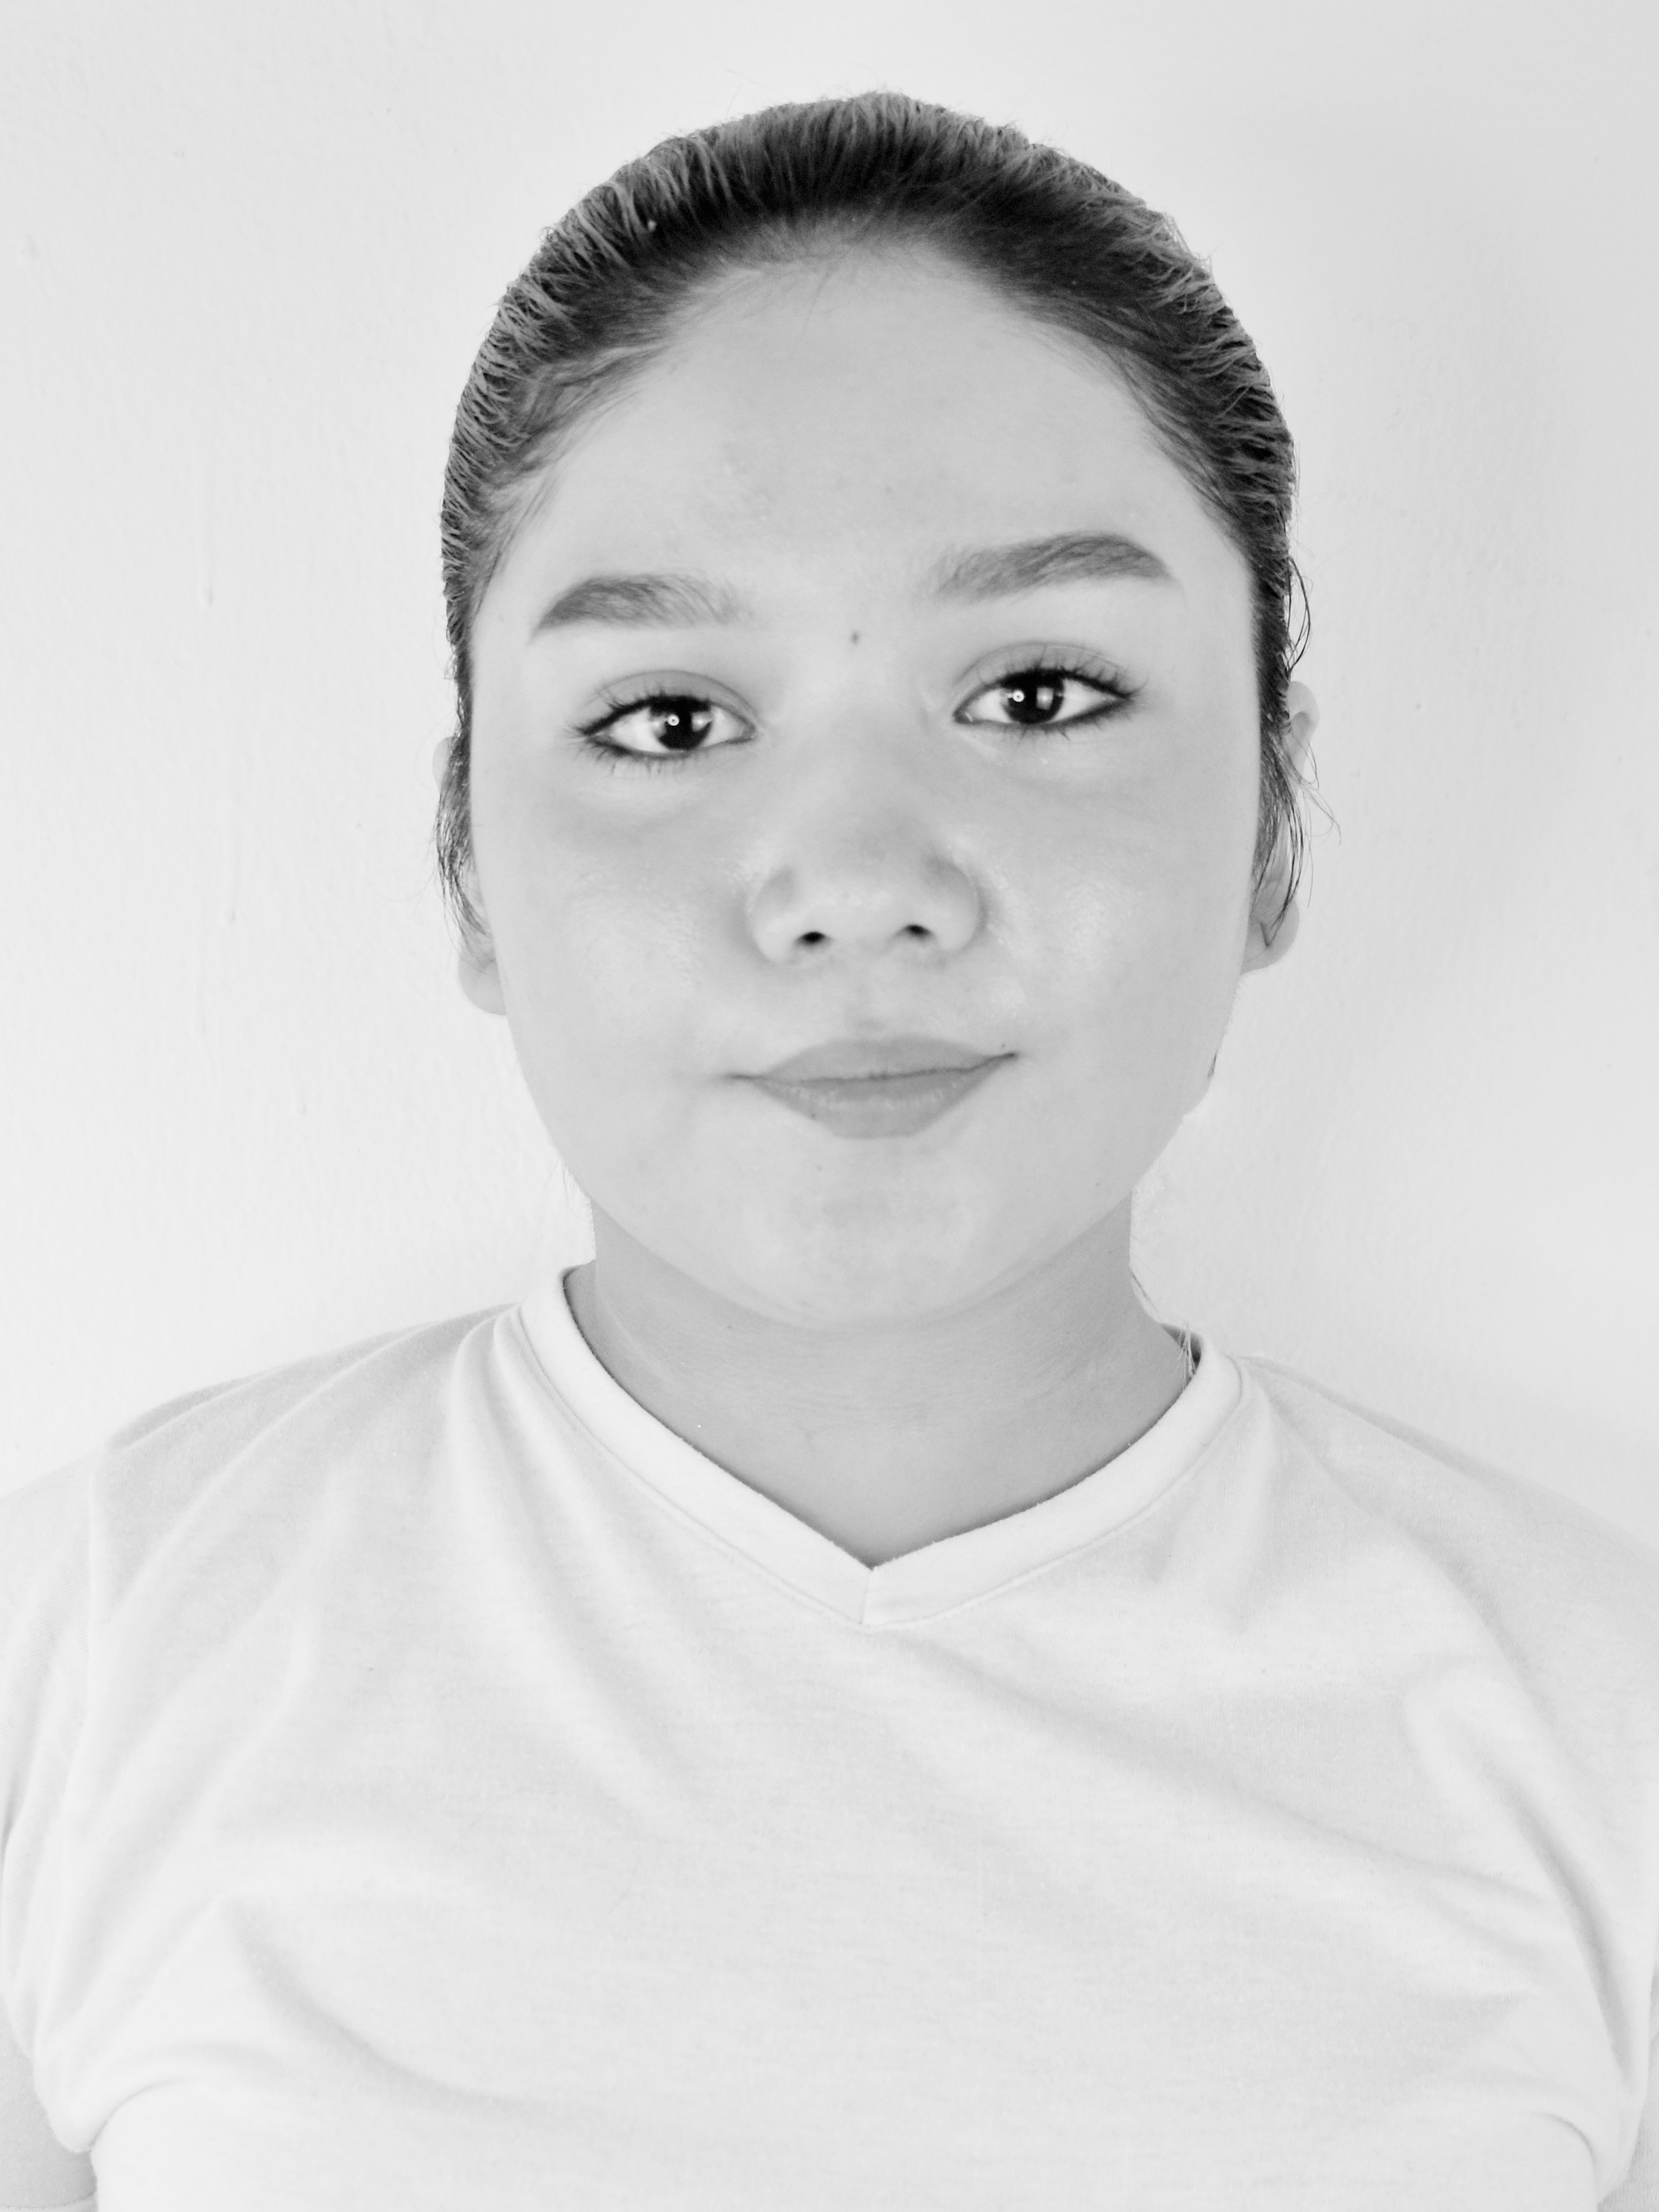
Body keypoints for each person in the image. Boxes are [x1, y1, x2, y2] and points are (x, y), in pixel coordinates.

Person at [3, 89, 1656, 2211]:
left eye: (1039, 694)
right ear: (468, 866)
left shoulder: (1603, 1746)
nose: (858, 885)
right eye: (672, 720)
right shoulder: (91, 1662)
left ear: (1274, 824)